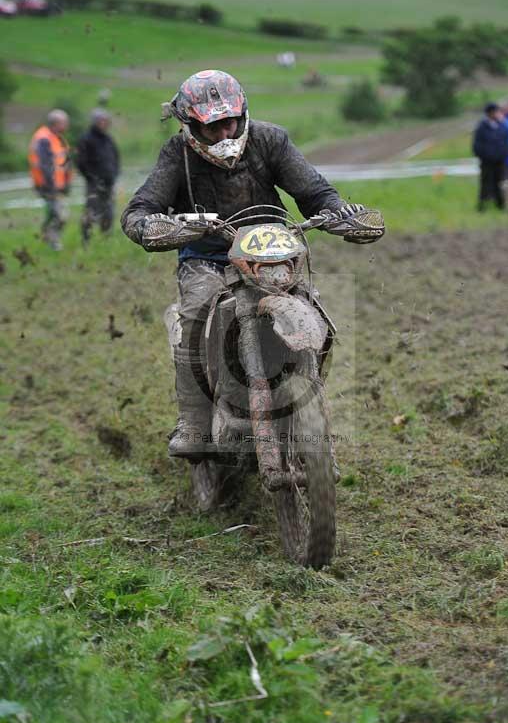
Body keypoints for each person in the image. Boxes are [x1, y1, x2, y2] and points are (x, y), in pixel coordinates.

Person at [121, 69, 366, 457]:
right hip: (208, 257)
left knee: (313, 307)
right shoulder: (177, 154)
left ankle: (309, 391)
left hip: (272, 254)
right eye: (212, 126)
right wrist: (151, 226)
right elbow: (140, 208)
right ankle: (194, 421)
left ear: (242, 113)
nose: (224, 134)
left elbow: (314, 192)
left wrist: (340, 214)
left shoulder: (270, 139)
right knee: (195, 315)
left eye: (229, 122)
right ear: (190, 126)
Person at [28, 109, 72, 250]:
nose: (67, 125)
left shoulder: (57, 137)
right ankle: (53, 242)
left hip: (56, 185)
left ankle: (47, 235)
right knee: (60, 214)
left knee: (55, 213)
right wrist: (52, 187)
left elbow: (64, 163)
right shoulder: (44, 139)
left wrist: (66, 183)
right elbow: (45, 166)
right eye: (65, 122)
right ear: (56, 123)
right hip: (47, 185)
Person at [76, 108, 120, 245]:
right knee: (91, 212)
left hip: (109, 183)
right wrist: (92, 178)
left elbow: (116, 158)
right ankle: (86, 240)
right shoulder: (86, 139)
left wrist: (114, 174)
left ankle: (105, 240)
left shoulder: (108, 139)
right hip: (94, 184)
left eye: (106, 121)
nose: (104, 123)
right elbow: (81, 162)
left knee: (109, 213)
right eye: (102, 121)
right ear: (95, 122)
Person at [472, 102, 508, 212]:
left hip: (500, 161)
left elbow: (506, 140)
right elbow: (477, 145)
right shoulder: (481, 127)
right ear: (490, 113)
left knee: (500, 183)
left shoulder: (501, 125)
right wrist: (484, 156)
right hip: (487, 162)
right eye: (495, 111)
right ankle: (482, 206)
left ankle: (500, 205)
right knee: (486, 183)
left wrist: (504, 154)